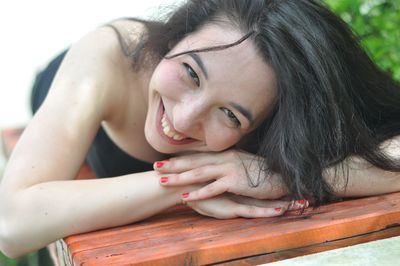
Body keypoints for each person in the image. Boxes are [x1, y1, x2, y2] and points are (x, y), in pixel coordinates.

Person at [1, 0, 399, 258]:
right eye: (191, 71)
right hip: (65, 91)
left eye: (230, 115)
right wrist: (188, 183)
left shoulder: (281, 106)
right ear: (177, 36)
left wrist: (279, 175)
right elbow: (12, 225)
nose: (184, 118)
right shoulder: (108, 56)